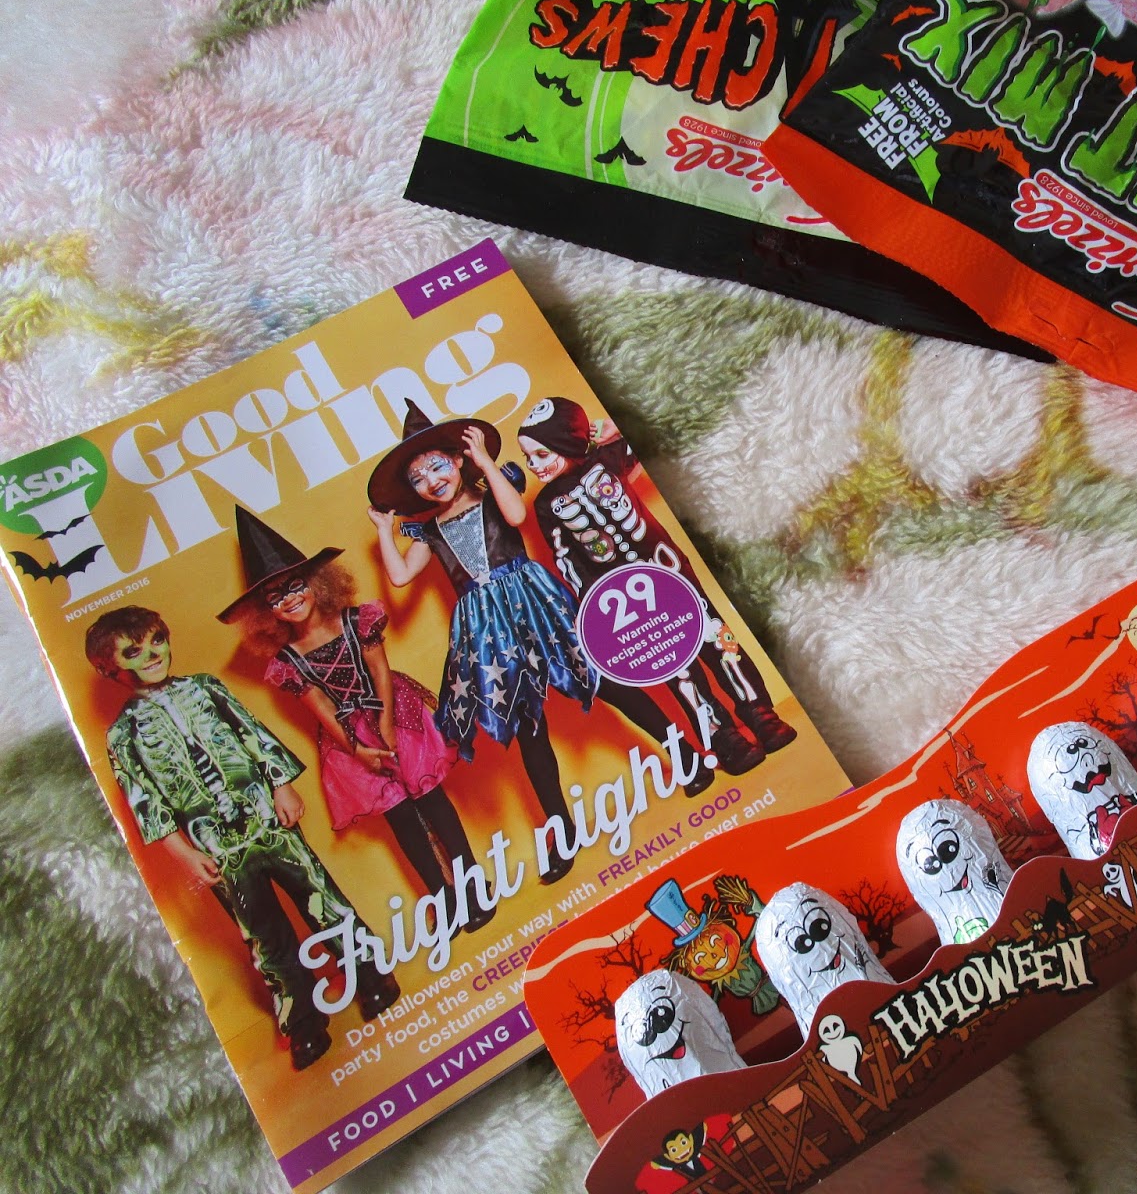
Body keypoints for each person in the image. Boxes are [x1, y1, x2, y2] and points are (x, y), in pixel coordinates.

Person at [365, 402, 708, 884]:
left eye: (438, 465)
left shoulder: (494, 487)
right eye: (418, 478)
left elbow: (514, 512)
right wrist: (385, 532)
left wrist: (485, 463)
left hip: (534, 603)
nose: (431, 481)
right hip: (488, 629)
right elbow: (400, 576)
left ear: (459, 459)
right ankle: (561, 831)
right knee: (529, 729)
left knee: (604, 683)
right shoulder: (429, 531)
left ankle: (686, 755)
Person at [86, 606, 398, 1071]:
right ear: (109, 668)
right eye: (133, 652)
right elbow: (144, 801)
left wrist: (281, 784)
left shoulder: (205, 688)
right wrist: (184, 854)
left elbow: (251, 733)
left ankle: (369, 973)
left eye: (156, 642)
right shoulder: (122, 735)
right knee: (263, 935)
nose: (151, 655)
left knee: (320, 896)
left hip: (265, 819)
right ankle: (302, 1018)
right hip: (216, 847)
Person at [218, 507, 494, 934]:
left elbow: (380, 671)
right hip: (349, 738)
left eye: (294, 586)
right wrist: (358, 750)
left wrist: (385, 725)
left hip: (395, 715)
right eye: (275, 597)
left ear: (316, 583)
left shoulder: (355, 620)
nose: (289, 599)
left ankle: (473, 885)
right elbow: (321, 709)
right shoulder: (288, 660)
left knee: (433, 802)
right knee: (402, 819)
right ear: (266, 612)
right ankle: (446, 900)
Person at [516, 396, 797, 772]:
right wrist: (594, 602)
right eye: (528, 459)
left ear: (565, 442)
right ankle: (722, 736)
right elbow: (565, 559)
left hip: (670, 573)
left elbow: (650, 435)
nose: (534, 466)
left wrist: (606, 429)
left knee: (718, 640)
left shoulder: (607, 459)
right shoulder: (547, 503)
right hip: (627, 604)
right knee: (674, 667)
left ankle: (759, 712)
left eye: (541, 454)